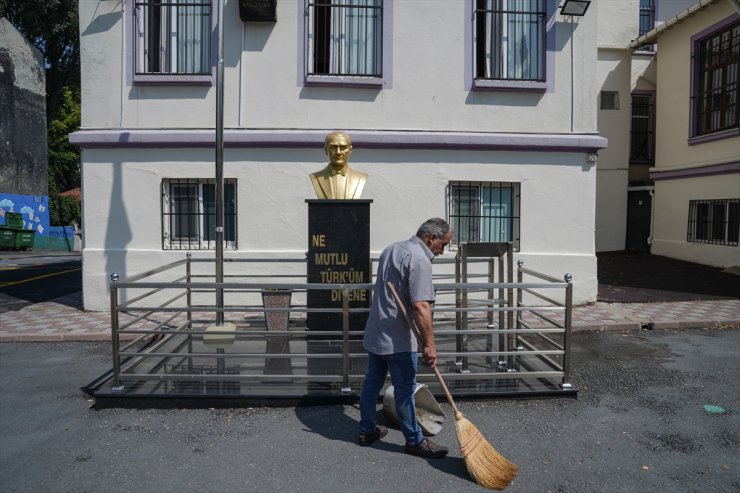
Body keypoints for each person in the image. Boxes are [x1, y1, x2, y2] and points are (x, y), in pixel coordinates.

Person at [358, 218, 452, 458]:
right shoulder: (419, 259)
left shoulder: (392, 248)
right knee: (405, 389)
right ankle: (415, 441)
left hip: (377, 331)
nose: (443, 251)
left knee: (372, 382)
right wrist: (430, 345)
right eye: (443, 244)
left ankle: (367, 430)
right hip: (399, 338)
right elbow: (421, 306)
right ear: (431, 237)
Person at [309, 131, 368, 200]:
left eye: (343, 147)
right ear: (326, 150)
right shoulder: (315, 178)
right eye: (333, 147)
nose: (338, 152)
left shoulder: (360, 178)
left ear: (350, 150)